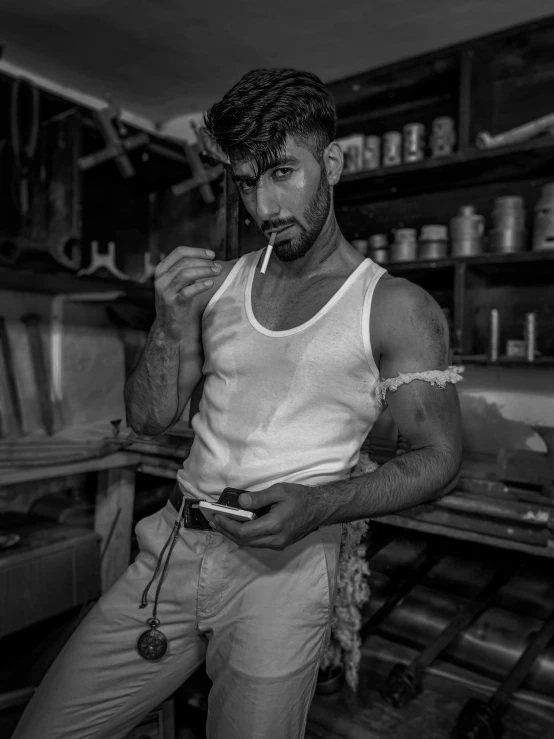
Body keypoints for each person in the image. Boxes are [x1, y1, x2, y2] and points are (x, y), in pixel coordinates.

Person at [13, 68, 462, 739]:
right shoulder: (218, 286)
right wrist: (167, 322)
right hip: (173, 545)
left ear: (331, 163)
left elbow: (439, 459)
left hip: (284, 574)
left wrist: (317, 505)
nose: (264, 205)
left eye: (283, 172)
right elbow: (150, 417)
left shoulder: (395, 308)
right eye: (248, 181)